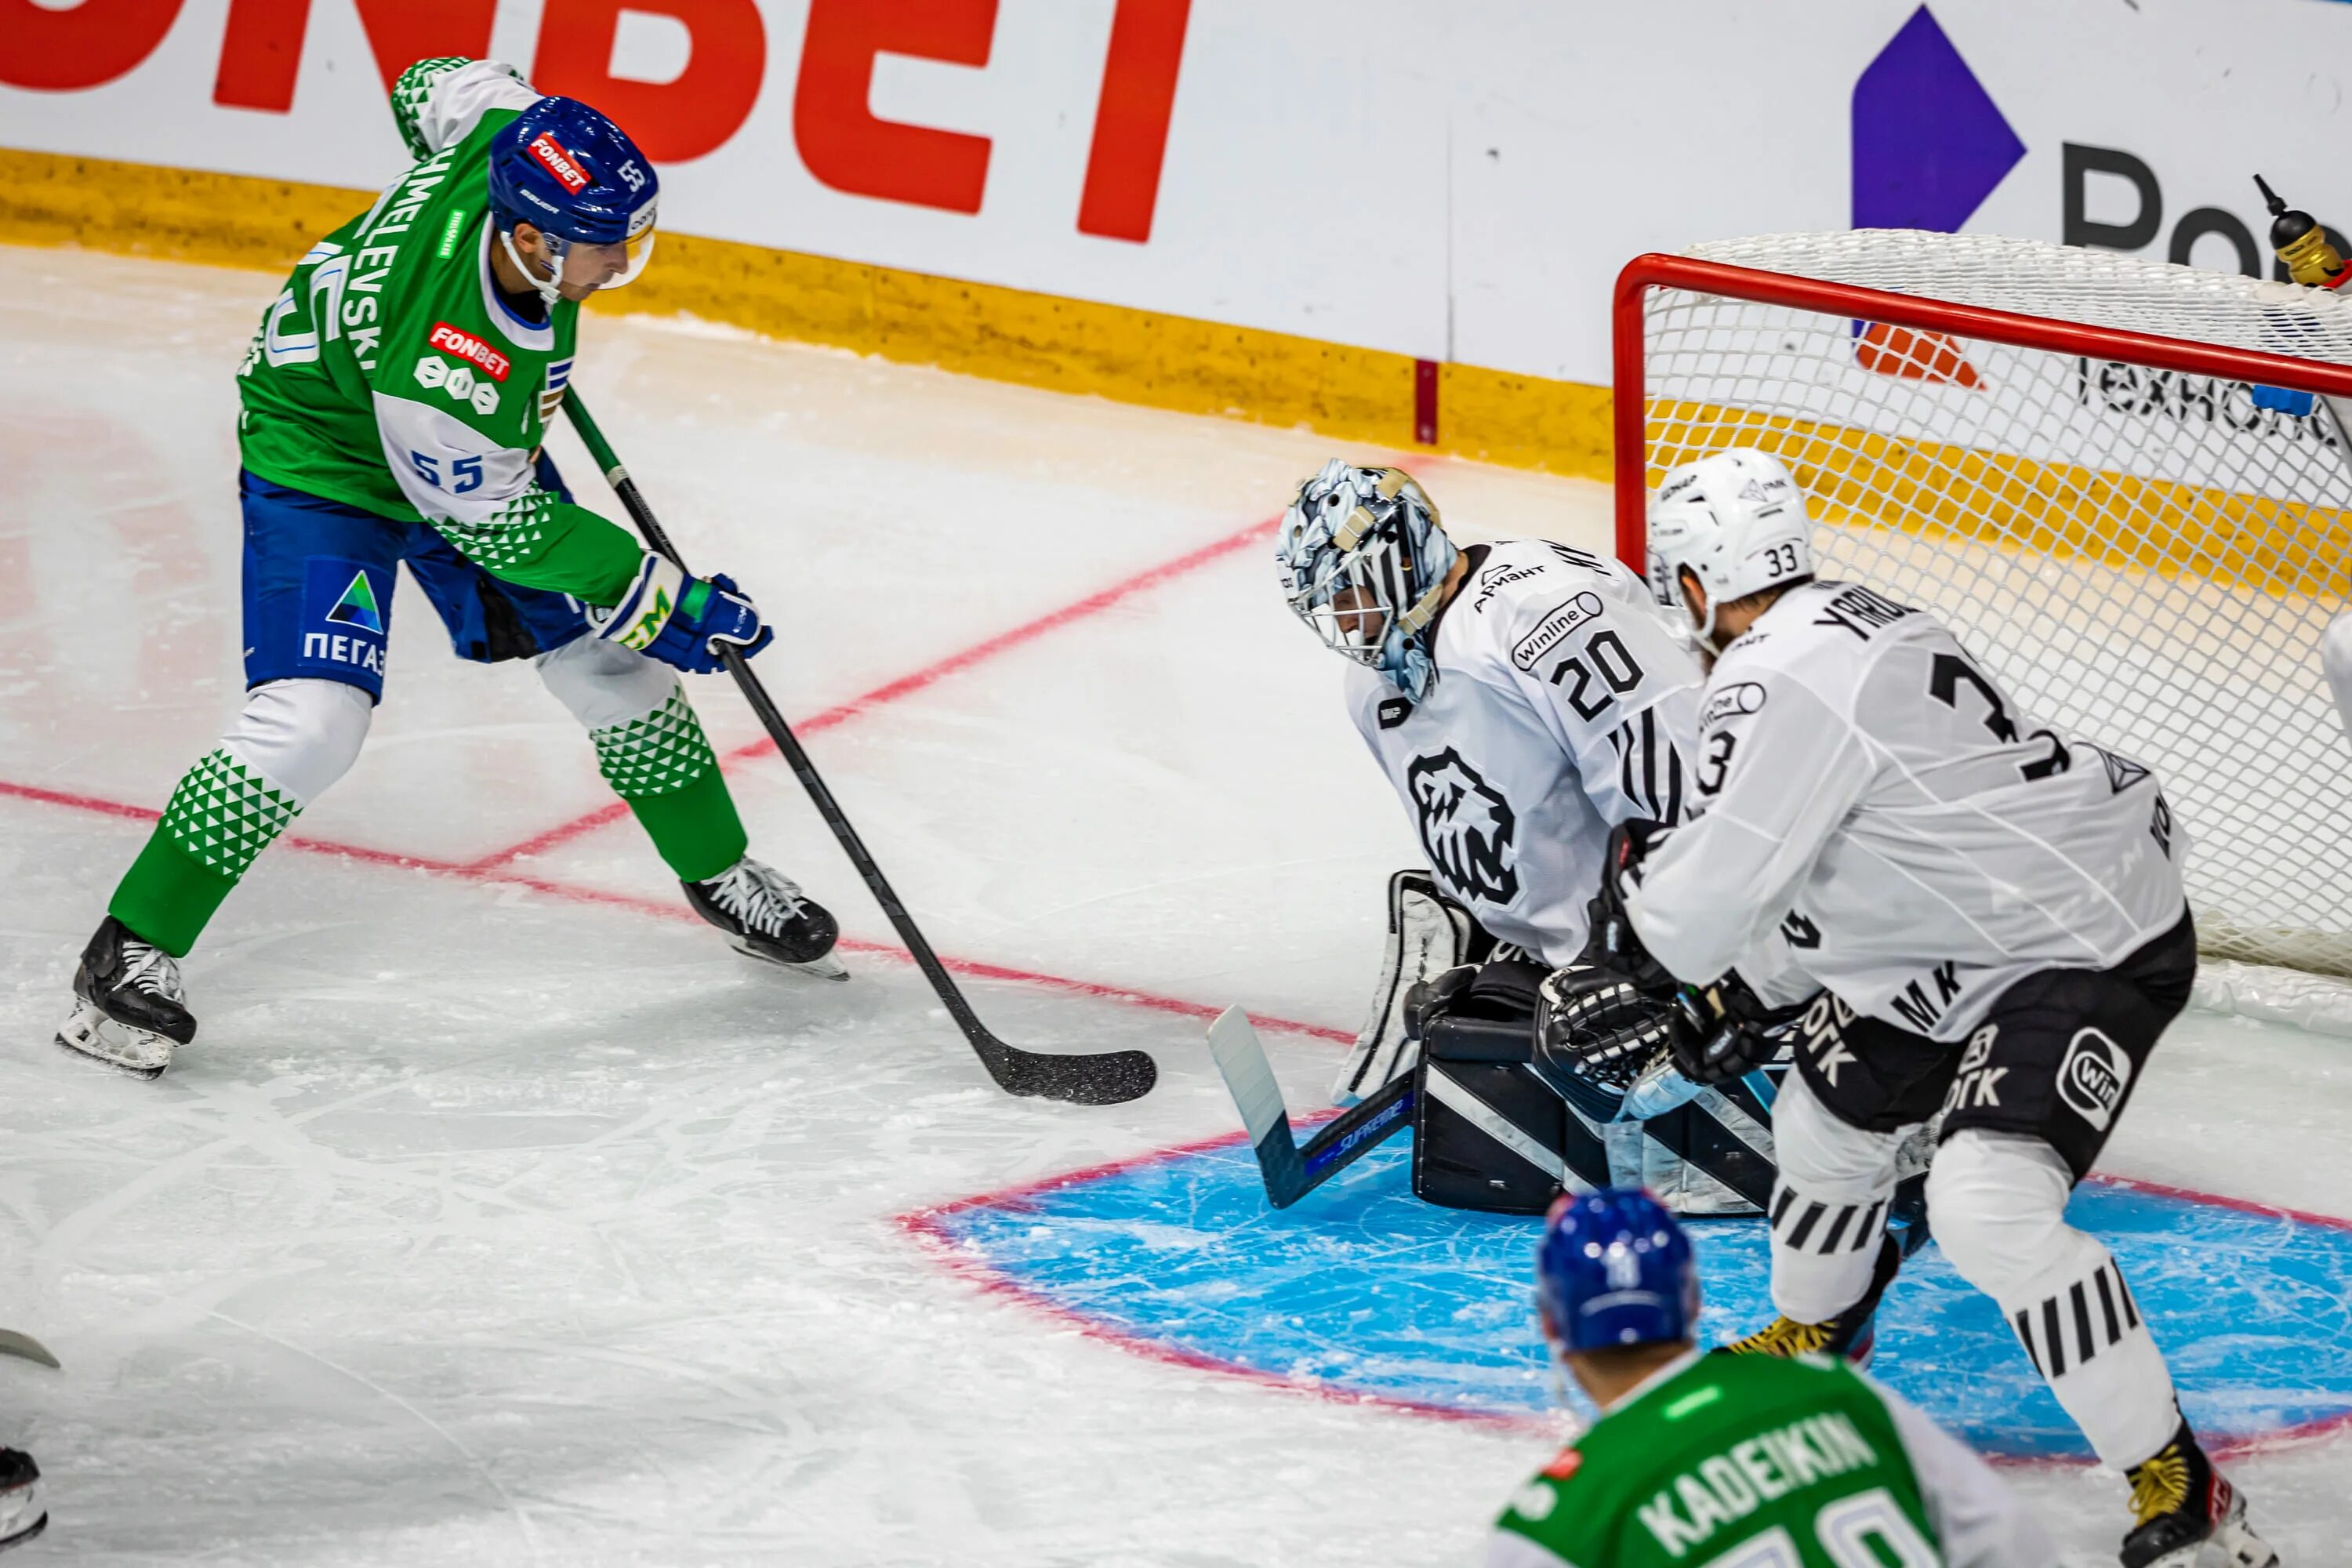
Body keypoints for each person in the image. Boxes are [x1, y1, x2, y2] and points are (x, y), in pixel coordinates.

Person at [57, 58, 840, 1080]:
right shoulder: (455, 373)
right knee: (312, 720)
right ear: (528, 236)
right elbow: (504, 530)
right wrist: (667, 600)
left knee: (613, 670)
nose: (618, 264)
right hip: (329, 459)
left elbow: (429, 82)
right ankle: (128, 953)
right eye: (603, 247)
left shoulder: (504, 129)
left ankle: (718, 872)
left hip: (451, 437)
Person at [1570, 448, 2278, 1566]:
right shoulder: (1853, 623)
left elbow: (1713, 896)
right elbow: (1860, 859)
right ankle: (1824, 1328)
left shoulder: (1771, 678)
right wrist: (1753, 994)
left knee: (1988, 1205)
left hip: (2086, 942)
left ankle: (2177, 1477)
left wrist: (1658, 968)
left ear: (1697, 583)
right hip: (1972, 932)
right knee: (1821, 1131)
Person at [1276, 460, 1774, 1213]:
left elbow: (1687, 795)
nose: (1346, 624)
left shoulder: (1548, 618)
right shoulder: (1373, 684)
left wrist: (1646, 963)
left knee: (1618, 1048)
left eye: (1353, 593)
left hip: (1689, 932)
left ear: (1405, 555)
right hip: (1574, 946)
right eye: (1330, 605)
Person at [1488, 1187, 2056, 1567]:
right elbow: (2012, 1543)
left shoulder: (1562, 1521)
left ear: (1549, 1323)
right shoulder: (1839, 1392)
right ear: (1693, 1300)